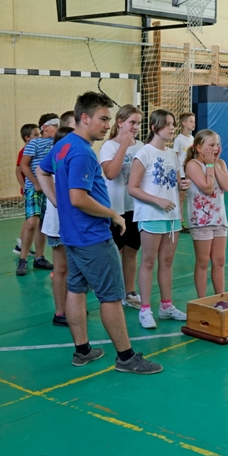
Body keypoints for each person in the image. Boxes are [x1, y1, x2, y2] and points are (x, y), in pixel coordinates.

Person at [38, 91, 162, 374]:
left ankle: (82, 351)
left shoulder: (63, 144)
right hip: (91, 235)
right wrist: (113, 214)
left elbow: (43, 173)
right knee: (111, 296)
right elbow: (78, 198)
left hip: (72, 234)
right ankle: (126, 357)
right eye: (103, 119)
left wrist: (56, 201)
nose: (108, 125)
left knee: (76, 288)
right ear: (85, 118)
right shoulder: (82, 152)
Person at [129, 109, 190, 327]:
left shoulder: (173, 154)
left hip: (172, 216)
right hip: (151, 215)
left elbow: (175, 183)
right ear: (155, 128)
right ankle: (145, 309)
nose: (172, 128)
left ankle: (166, 306)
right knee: (148, 261)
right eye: (168, 124)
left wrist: (183, 185)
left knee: (167, 262)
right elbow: (132, 188)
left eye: (173, 124)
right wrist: (158, 201)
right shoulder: (144, 153)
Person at [99, 105, 144, 308]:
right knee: (114, 252)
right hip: (116, 209)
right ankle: (112, 292)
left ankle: (129, 291)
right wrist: (124, 146)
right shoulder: (109, 146)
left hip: (136, 207)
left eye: (138, 123)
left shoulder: (141, 146)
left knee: (132, 250)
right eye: (132, 122)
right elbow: (111, 173)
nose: (135, 127)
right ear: (119, 123)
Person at [184, 130, 228, 297]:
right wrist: (210, 165)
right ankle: (202, 300)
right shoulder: (193, 165)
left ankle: (221, 296)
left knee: (219, 260)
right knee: (203, 261)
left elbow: (227, 185)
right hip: (201, 220)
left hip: (219, 219)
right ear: (199, 148)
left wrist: (215, 164)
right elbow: (207, 187)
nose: (216, 148)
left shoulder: (220, 164)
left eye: (217, 145)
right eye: (211, 145)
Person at [38, 126, 74, 327]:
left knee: (73, 269)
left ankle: (71, 306)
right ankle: (60, 311)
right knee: (61, 268)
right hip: (58, 224)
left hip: (73, 223)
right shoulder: (54, 163)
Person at [16, 114, 58, 275]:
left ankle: (39, 258)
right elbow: (23, 165)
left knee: (43, 224)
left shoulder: (57, 143)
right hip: (34, 188)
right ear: (44, 128)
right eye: (55, 125)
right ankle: (23, 259)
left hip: (50, 188)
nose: (58, 128)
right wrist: (35, 182)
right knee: (31, 222)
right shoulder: (34, 143)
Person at [12, 123, 40, 256]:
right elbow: (18, 171)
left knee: (30, 219)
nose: (39, 137)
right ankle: (21, 245)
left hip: (33, 188)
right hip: (29, 188)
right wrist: (24, 187)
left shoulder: (35, 149)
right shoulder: (24, 151)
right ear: (27, 137)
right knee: (31, 219)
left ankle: (22, 244)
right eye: (36, 135)